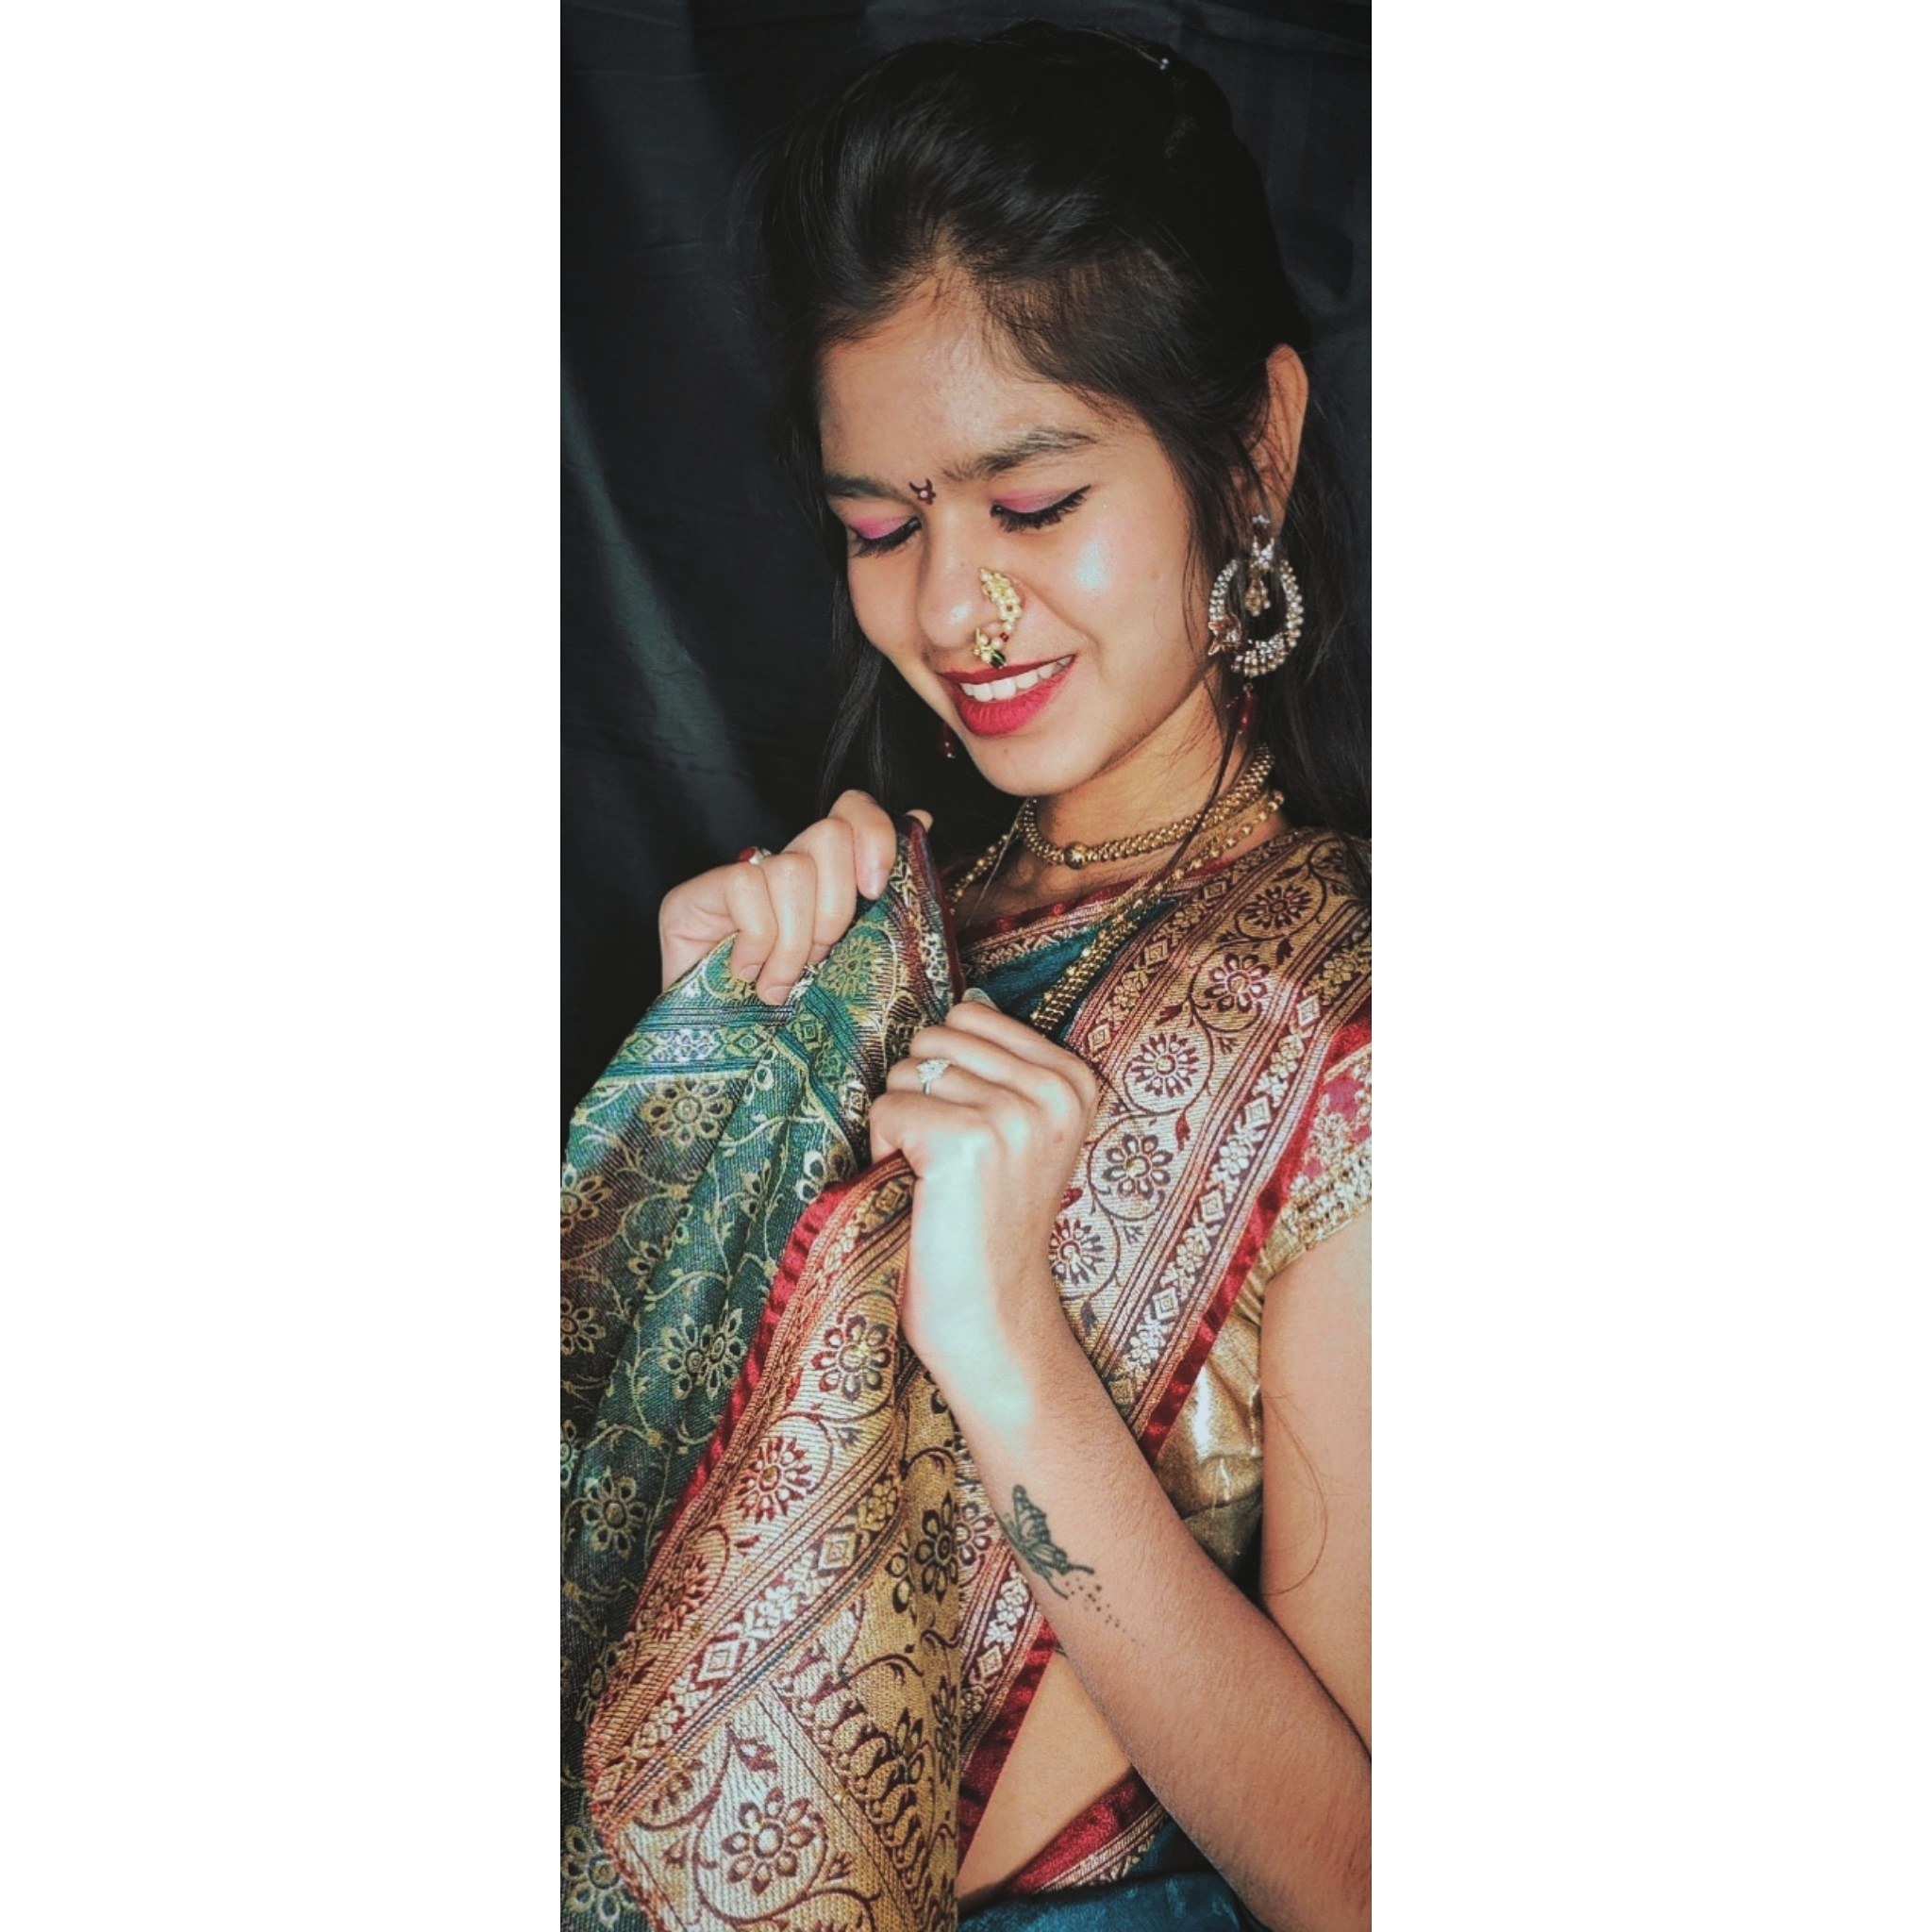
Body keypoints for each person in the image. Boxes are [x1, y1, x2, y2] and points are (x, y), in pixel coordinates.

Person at [561, 25, 1369, 1931]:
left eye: (1031, 504)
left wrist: (1006, 1350)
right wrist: (727, 1092)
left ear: (1249, 452)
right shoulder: (875, 924)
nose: (949, 608)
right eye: (881, 524)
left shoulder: (1352, 1040)